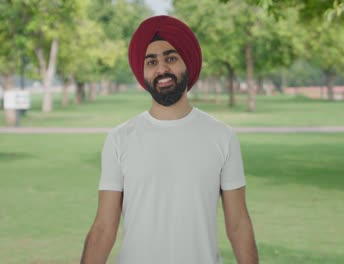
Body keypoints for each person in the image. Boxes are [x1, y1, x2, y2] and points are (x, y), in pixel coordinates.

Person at [81, 15, 258, 264]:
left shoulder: (223, 136)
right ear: (142, 72)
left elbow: (238, 224)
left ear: (188, 62)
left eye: (170, 58)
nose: (162, 69)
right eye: (151, 62)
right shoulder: (119, 139)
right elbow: (103, 228)